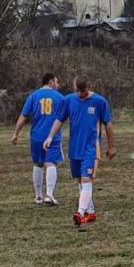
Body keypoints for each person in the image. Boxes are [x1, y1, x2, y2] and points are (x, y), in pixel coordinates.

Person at [43, 75, 116, 227]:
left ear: (89, 87)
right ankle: (90, 211)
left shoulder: (99, 102)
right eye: (77, 91)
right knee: (80, 181)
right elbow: (59, 120)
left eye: (83, 91)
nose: (80, 94)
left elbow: (108, 124)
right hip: (75, 148)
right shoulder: (68, 100)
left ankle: (80, 212)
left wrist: (111, 146)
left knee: (86, 179)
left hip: (91, 148)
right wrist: (50, 137)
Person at [10, 73, 64, 205]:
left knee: (38, 164)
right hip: (53, 136)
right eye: (56, 82)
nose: (58, 85)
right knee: (51, 163)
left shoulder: (33, 96)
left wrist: (16, 133)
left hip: (36, 136)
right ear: (51, 82)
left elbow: (23, 116)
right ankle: (49, 195)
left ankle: (38, 196)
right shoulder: (60, 97)